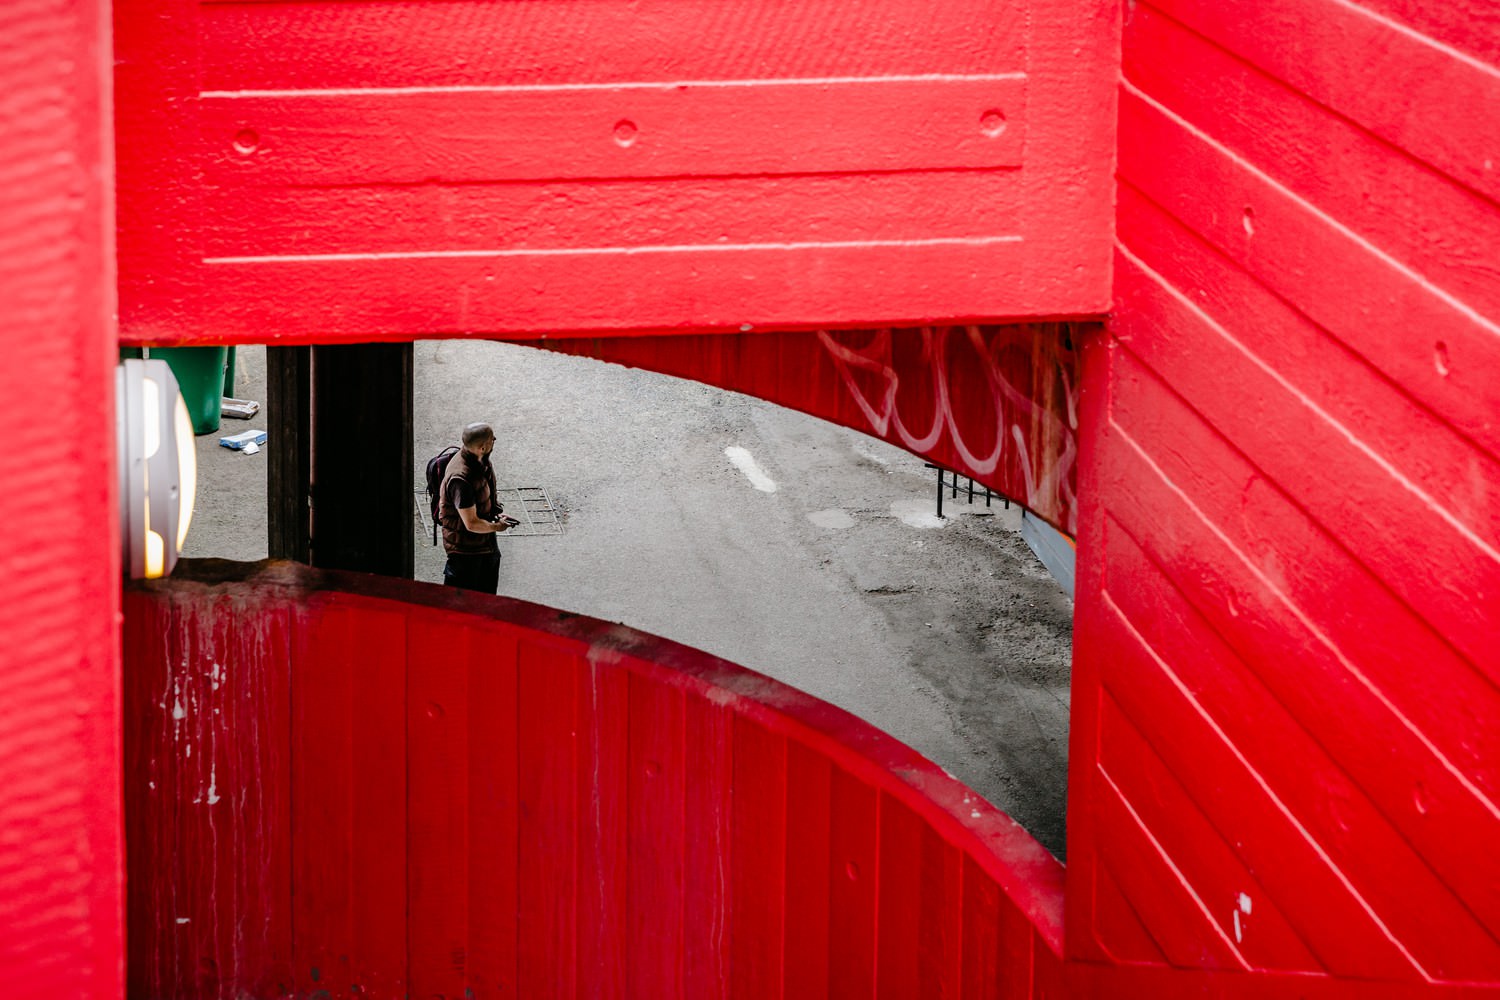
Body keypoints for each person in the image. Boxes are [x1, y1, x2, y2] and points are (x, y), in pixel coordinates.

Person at [438, 422, 517, 594]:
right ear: (482, 447)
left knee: (485, 599)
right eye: (491, 439)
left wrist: (495, 514)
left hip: (483, 544)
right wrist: (497, 527)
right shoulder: (461, 479)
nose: (494, 440)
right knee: (462, 603)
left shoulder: (479, 461)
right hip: (466, 552)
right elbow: (471, 523)